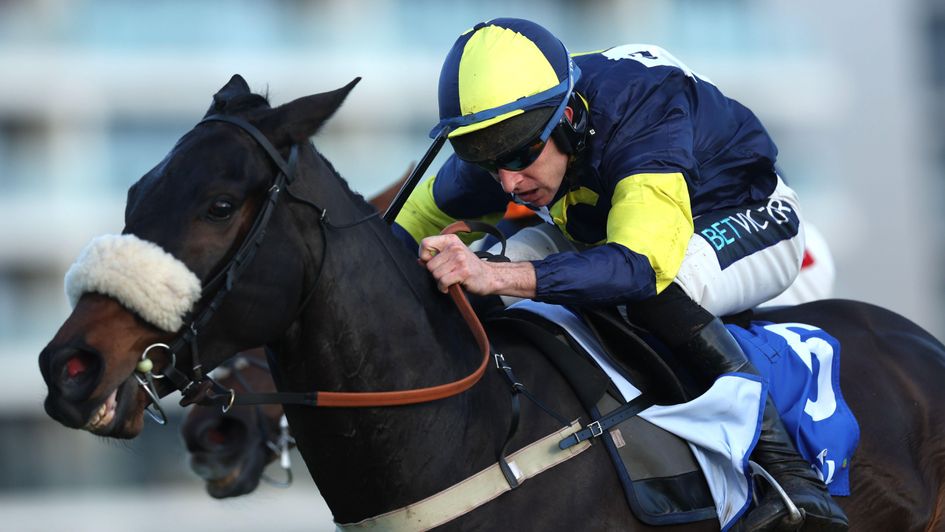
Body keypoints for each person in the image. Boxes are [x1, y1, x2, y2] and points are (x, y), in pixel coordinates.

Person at [392, 18, 847, 532]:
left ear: (566, 118)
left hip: (743, 214)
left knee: (655, 288)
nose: (508, 181)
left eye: (520, 155)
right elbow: (401, 228)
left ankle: (790, 474)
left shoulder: (640, 109)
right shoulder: (509, 135)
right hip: (611, 226)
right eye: (484, 159)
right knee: (495, 268)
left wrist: (498, 277)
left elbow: (639, 267)